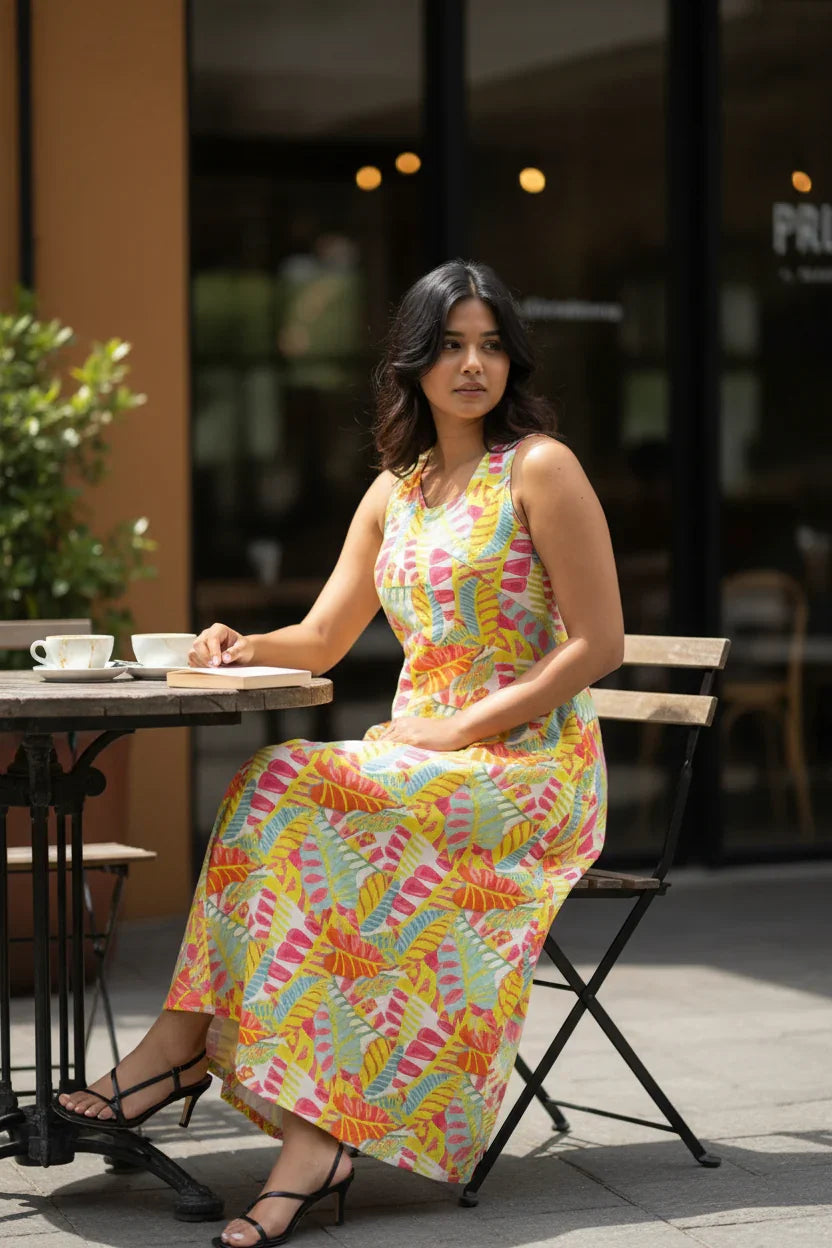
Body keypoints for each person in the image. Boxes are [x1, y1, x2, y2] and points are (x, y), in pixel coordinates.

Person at [56, 260, 624, 1247]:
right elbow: (322, 636)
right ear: (412, 361)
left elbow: (598, 645)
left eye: (490, 344)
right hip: (423, 765)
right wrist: (243, 643)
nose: (471, 364)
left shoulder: (539, 467)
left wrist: (458, 727)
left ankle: (193, 1065)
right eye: (450, 345)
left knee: (302, 786)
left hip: (527, 771)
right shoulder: (393, 493)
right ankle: (288, 1123)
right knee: (281, 793)